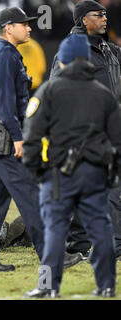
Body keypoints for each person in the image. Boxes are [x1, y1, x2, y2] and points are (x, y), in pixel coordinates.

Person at [23, 34, 121, 298]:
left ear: (63, 60)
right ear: (87, 60)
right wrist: (112, 175)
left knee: (54, 231)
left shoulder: (49, 91)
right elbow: (117, 142)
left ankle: (47, 287)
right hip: (95, 173)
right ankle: (107, 285)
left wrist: (36, 172)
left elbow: (31, 136)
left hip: (57, 174)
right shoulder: (105, 95)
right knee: (101, 230)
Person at [0, 7, 45, 272]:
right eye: (24, 24)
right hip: (1, 135)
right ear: (9, 27)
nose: (29, 28)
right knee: (29, 192)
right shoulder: (5, 55)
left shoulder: (2, 53)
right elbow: (5, 104)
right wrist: (17, 137)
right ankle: (52, 252)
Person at [50, 0, 121, 260]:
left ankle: (78, 244)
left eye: (105, 14)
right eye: (97, 15)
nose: (104, 18)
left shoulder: (108, 50)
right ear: (82, 20)